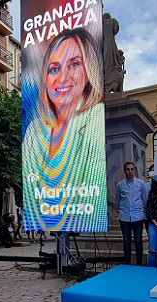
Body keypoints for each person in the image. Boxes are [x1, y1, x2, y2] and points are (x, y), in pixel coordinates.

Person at [22, 27, 106, 232]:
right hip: (48, 219)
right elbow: (31, 192)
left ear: (90, 70)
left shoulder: (95, 117)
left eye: (74, 64)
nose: (62, 78)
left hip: (83, 220)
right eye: (54, 68)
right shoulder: (34, 130)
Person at [116, 161, 148, 266]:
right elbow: (117, 200)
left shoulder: (140, 183)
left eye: (131, 169)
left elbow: (144, 199)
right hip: (124, 216)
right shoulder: (120, 185)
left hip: (137, 216)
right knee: (126, 241)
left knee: (138, 241)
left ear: (134, 170)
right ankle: (127, 263)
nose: (130, 171)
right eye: (128, 169)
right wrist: (121, 210)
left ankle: (139, 264)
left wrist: (143, 214)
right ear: (124, 171)